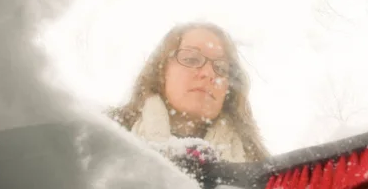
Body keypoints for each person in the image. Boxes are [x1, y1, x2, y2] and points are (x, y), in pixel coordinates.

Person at [107, 22, 270, 163]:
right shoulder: (108, 135)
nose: (208, 73)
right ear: (161, 71)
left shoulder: (259, 167)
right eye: (191, 59)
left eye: (221, 68)